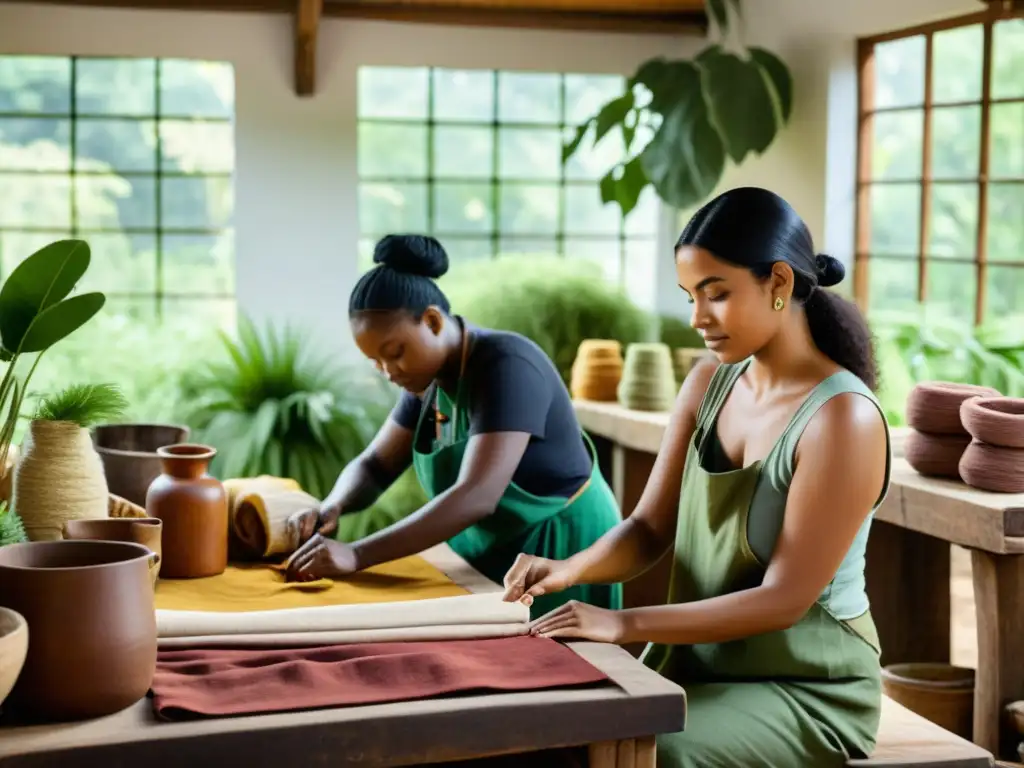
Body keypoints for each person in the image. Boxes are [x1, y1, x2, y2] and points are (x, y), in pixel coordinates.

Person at [502, 187, 891, 767]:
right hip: (697, 664)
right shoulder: (709, 383)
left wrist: (622, 623)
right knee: (550, 730)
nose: (697, 319)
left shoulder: (843, 417)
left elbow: (784, 600)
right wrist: (567, 570)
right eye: (691, 296)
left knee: (646, 751)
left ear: (779, 284)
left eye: (717, 294)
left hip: (804, 689)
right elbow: (648, 529)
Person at [285, 233, 623, 618]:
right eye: (376, 362)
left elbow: (477, 495)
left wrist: (356, 553)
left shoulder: (508, 365)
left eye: (395, 354)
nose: (388, 373)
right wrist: (333, 505)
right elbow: (376, 466)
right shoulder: (426, 380)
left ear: (431, 321)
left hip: (559, 546)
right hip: (495, 547)